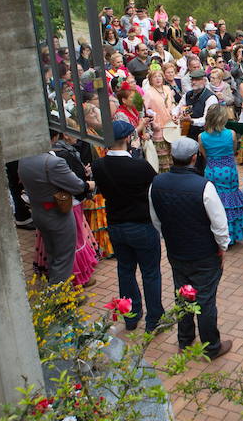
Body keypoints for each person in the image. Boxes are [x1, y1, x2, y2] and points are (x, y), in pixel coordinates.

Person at [149, 137, 232, 358]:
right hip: (204, 253)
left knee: (183, 295)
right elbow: (219, 224)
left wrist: (169, 238)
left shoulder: (156, 183)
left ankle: (184, 340)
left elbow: (156, 219)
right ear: (194, 158)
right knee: (205, 299)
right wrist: (222, 247)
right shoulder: (204, 186)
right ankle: (211, 346)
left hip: (177, 250)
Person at [91, 120, 163, 331]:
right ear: (127, 138)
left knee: (125, 271)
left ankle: (131, 316)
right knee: (150, 273)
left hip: (116, 225)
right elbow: (155, 190)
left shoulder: (99, 165)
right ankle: (154, 320)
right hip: (142, 225)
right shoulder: (140, 166)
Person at [18, 132, 94, 284]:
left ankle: (55, 291)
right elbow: (77, 186)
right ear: (53, 138)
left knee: (52, 253)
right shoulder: (53, 162)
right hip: (57, 214)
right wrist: (88, 185)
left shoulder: (24, 160)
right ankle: (62, 299)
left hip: (39, 212)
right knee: (64, 257)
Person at [198, 105, 243, 246]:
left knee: (214, 201)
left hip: (213, 170)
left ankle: (216, 233)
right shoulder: (231, 134)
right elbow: (233, 151)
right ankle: (231, 234)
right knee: (230, 199)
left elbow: (205, 155)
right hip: (229, 170)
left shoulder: (202, 136)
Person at [180, 68, 219, 144]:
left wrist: (192, 121)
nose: (194, 82)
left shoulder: (211, 97)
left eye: (197, 80)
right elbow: (179, 107)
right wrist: (175, 114)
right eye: (192, 80)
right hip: (188, 133)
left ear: (204, 81)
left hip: (205, 135)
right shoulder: (188, 94)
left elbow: (207, 120)